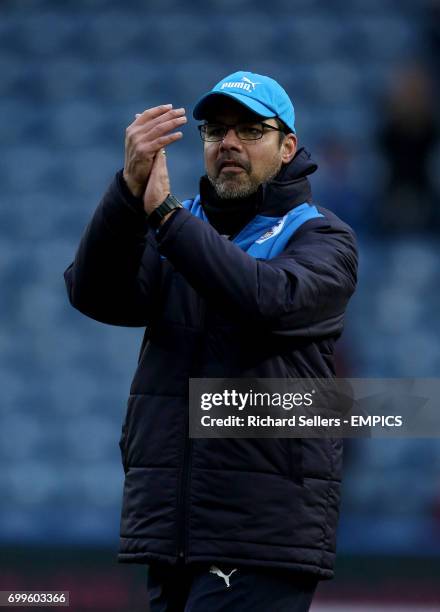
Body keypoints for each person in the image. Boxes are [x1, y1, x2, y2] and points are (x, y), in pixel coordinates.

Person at [64, 71, 358, 612]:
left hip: (260, 534)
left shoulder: (321, 235)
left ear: (287, 146)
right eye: (215, 130)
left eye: (250, 130)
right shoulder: (176, 227)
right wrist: (127, 194)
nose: (228, 143)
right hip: (174, 528)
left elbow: (267, 298)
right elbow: (95, 293)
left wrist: (166, 218)